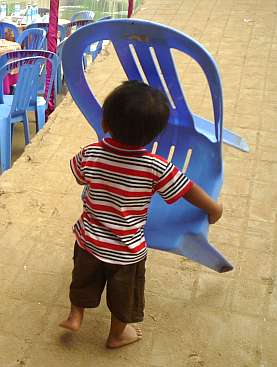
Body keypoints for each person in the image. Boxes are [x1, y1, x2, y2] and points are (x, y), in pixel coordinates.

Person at [59, 80, 223, 348]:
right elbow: (187, 189)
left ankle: (75, 315)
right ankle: (117, 335)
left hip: (88, 239)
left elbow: (78, 176)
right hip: (126, 250)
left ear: (106, 124)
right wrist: (213, 208)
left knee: (84, 279)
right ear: (154, 135)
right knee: (125, 296)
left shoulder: (92, 153)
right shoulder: (155, 166)